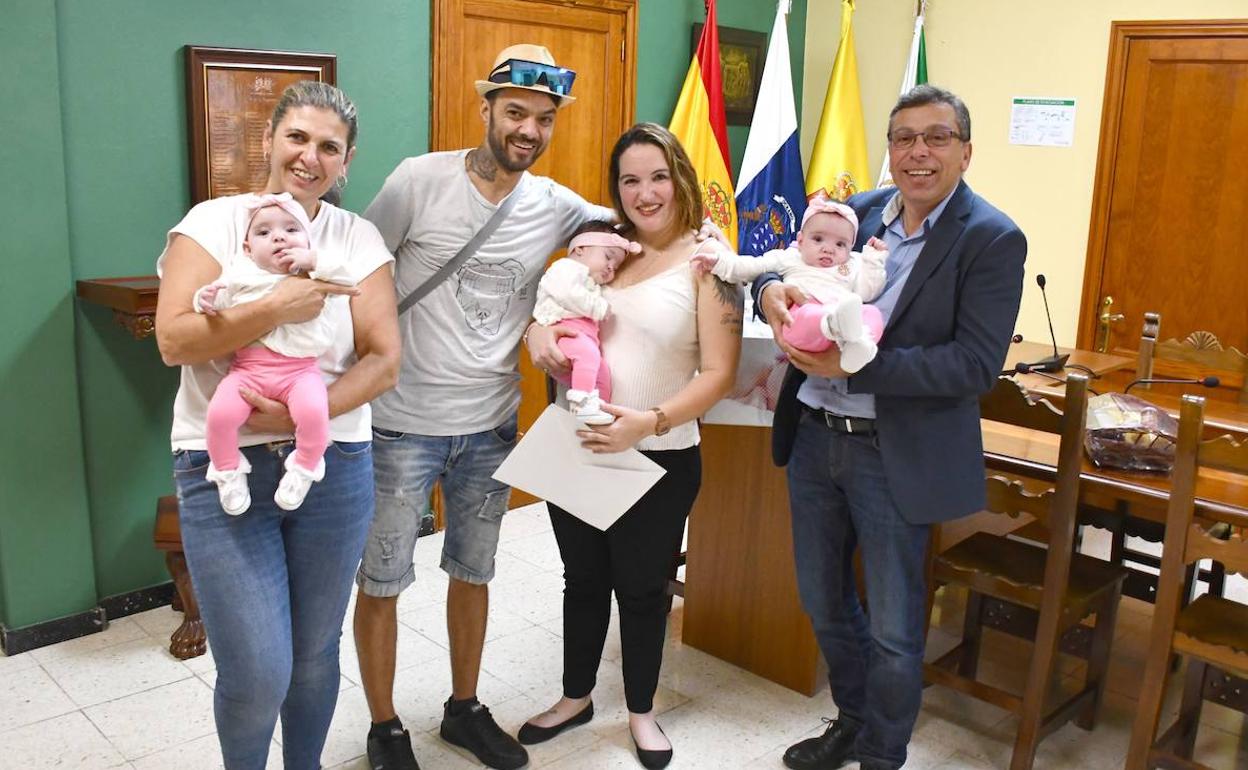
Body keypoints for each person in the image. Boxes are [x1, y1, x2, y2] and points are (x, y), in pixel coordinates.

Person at [355, 43, 615, 770]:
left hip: (492, 427)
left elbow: (631, 229)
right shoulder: (420, 180)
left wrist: (711, 248)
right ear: (486, 109)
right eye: (515, 113)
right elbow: (362, 269)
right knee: (382, 582)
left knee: (474, 571)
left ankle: (463, 710)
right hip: (400, 426)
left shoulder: (557, 204)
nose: (528, 129)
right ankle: (384, 728)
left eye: (543, 118)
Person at [755, 84, 1027, 770]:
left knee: (897, 630)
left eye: (936, 137)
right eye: (903, 137)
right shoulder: (863, 212)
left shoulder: (991, 237)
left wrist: (851, 367)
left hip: (894, 456)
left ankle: (883, 753)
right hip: (816, 438)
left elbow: (973, 365)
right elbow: (784, 268)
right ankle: (851, 721)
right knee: (821, 599)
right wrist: (771, 294)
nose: (918, 152)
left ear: (966, 151)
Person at [154, 81, 400, 769]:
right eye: (297, 138)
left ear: (346, 162)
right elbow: (174, 340)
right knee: (259, 670)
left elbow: (384, 361)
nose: (310, 156)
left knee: (315, 654)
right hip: (224, 470)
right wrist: (281, 305)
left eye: (329, 147)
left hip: (334, 466)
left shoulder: (356, 238)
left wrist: (301, 410)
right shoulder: (215, 223)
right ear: (268, 142)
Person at [518, 122, 743, 770]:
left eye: (656, 176)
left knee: (642, 590)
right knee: (581, 580)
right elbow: (559, 307)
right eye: (629, 180)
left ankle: (641, 711)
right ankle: (575, 697)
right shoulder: (604, 246)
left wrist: (648, 421)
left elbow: (719, 374)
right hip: (580, 443)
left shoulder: (711, 260)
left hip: (660, 452)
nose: (644, 192)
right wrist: (537, 334)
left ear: (680, 177)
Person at [197, 193, 356, 514]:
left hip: (300, 372)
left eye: (291, 230)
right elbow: (215, 308)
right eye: (264, 233)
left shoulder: (315, 275)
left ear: (308, 241)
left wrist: (313, 260)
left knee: (314, 412)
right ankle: (228, 471)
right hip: (247, 372)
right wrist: (205, 298)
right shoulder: (239, 274)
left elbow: (349, 280)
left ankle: (305, 466)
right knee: (218, 416)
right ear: (247, 249)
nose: (279, 236)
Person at [692, 196, 888, 373]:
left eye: (840, 244)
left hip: (841, 328)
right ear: (801, 241)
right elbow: (751, 266)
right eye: (818, 239)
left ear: (851, 248)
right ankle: (835, 325)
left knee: (872, 313)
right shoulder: (790, 258)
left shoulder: (852, 265)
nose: (828, 249)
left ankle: (860, 345)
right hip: (800, 320)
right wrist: (718, 262)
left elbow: (867, 291)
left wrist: (873, 261)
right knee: (805, 314)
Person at [534, 219, 639, 424]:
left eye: (616, 266)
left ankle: (597, 406)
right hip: (564, 328)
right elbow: (568, 293)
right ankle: (581, 403)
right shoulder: (566, 268)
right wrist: (598, 306)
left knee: (601, 372)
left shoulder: (590, 281)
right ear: (581, 248)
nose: (611, 268)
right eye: (608, 257)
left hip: (581, 336)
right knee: (587, 355)